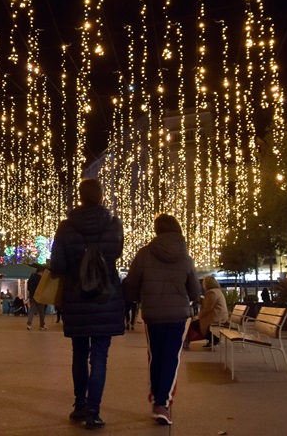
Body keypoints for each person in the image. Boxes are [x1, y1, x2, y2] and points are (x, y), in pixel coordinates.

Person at [51, 178, 125, 429]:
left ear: (80, 198)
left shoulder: (66, 226)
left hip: (77, 296)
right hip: (106, 296)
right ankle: (94, 412)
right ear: (101, 197)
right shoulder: (114, 225)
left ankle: (79, 406)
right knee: (100, 357)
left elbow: (58, 264)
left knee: (79, 353)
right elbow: (115, 254)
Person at [123, 213, 201, 426]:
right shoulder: (185, 258)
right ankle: (161, 403)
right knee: (170, 358)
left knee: (155, 355)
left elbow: (130, 283)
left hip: (153, 313)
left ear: (157, 230)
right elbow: (195, 290)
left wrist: (136, 299)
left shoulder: (145, 253)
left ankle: (157, 396)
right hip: (178, 315)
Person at [195, 276, 228, 348]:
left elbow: (207, 308)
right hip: (220, 316)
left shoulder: (212, 292)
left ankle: (214, 339)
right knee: (198, 323)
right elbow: (208, 304)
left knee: (194, 324)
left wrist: (198, 316)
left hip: (216, 317)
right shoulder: (217, 291)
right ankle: (212, 340)